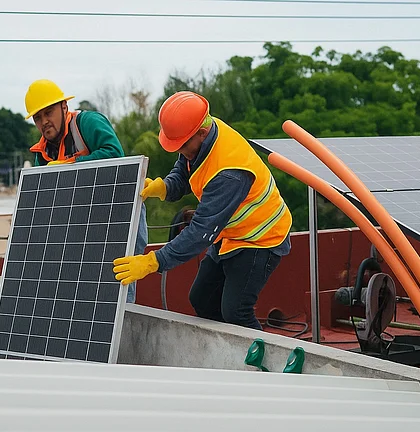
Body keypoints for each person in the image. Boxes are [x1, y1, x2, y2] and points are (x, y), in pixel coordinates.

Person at [112, 91, 292, 330]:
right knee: (202, 299)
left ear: (202, 133)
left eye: (183, 145)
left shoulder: (230, 173)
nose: (181, 150)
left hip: (260, 238)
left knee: (236, 311)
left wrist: (154, 261)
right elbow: (185, 168)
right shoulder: (202, 131)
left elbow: (201, 232)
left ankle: (259, 363)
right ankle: (225, 355)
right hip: (229, 234)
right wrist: (165, 187)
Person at [24, 79, 147, 303]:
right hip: (87, 219)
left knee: (120, 280)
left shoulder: (88, 123)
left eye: (48, 113)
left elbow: (115, 155)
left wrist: (70, 166)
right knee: (89, 285)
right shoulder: (42, 152)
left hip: (122, 211)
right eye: (38, 117)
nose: (44, 122)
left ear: (64, 107)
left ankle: (124, 328)